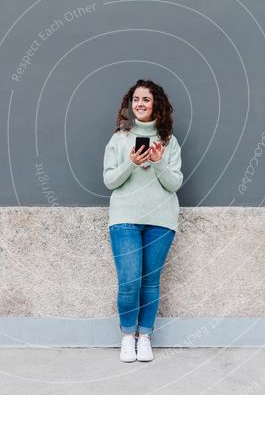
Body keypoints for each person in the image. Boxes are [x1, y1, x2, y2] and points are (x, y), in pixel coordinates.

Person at [102, 79, 183, 362]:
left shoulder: (169, 142)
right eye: (136, 99)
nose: (140, 104)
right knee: (129, 281)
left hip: (162, 219)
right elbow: (110, 180)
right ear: (130, 103)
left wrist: (159, 162)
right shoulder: (119, 139)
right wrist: (131, 163)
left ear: (156, 104)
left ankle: (145, 336)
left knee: (150, 282)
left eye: (146, 99)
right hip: (124, 217)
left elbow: (174, 184)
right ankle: (127, 336)